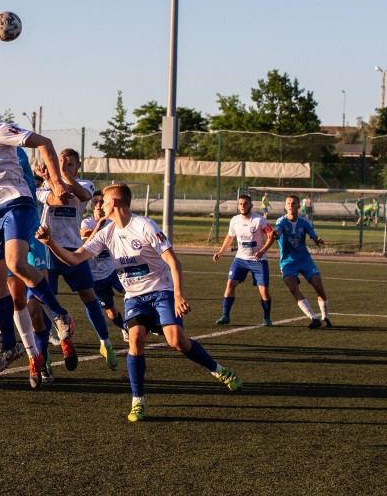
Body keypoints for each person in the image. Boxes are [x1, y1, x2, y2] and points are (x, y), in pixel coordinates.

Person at [38, 183, 243, 422]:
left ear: (114, 202)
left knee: (176, 341)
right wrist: (50, 242)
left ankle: (219, 371)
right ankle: (138, 401)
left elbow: (173, 261)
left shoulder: (144, 225)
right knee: (135, 339)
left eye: (103, 200)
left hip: (162, 291)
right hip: (135, 297)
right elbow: (74, 259)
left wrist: (178, 295)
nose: (99, 204)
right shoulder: (106, 232)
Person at [0, 85, 77, 389]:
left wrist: (58, 182)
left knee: (16, 263)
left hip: (17, 204)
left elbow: (45, 143)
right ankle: (9, 345)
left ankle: (59, 315)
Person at [37, 149, 119, 371]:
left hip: (75, 250)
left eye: (70, 164)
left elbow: (83, 196)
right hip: (49, 252)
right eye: (61, 162)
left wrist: (60, 174)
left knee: (89, 297)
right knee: (46, 305)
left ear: (78, 167)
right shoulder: (44, 186)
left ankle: (105, 343)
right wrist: (50, 179)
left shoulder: (86, 184)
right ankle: (45, 356)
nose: (65, 166)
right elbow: (57, 197)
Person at [257, 194, 331, 329]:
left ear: (299, 206)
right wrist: (274, 237)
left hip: (305, 260)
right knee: (292, 287)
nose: (291, 205)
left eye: (294, 203)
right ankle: (313, 318)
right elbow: (277, 233)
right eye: (288, 203)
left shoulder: (305, 222)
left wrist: (318, 240)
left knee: (319, 287)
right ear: (285, 206)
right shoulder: (281, 222)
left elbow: (314, 236)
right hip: (288, 262)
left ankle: (325, 317)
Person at [212, 195, 274, 327]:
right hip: (240, 259)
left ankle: (267, 317)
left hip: (259, 260)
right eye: (240, 204)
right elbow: (230, 237)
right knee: (230, 284)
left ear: (250, 206)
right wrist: (221, 252)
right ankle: (225, 315)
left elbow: (271, 236)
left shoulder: (259, 220)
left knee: (264, 291)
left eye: (245, 204)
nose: (242, 206)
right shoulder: (234, 220)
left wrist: (262, 251)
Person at [80, 190, 128, 342]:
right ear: (92, 205)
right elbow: (85, 246)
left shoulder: (113, 222)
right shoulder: (86, 223)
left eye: (102, 201)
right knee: (112, 312)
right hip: (96, 278)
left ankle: (145, 320)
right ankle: (125, 328)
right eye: (95, 202)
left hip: (114, 270)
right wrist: (97, 228)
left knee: (132, 292)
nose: (99, 205)